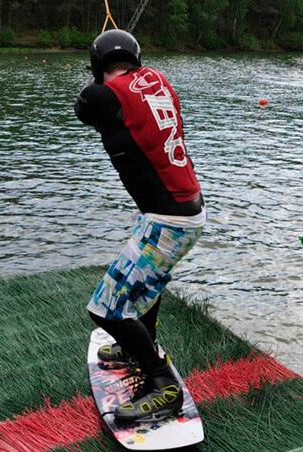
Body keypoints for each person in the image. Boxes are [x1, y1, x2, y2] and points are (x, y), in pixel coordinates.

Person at [74, 29, 205, 424]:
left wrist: (99, 80)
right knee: (146, 286)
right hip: (181, 210)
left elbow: (84, 108)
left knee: (105, 309)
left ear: (98, 67)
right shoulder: (158, 81)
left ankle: (163, 386)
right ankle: (142, 345)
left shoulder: (103, 96)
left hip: (169, 220)